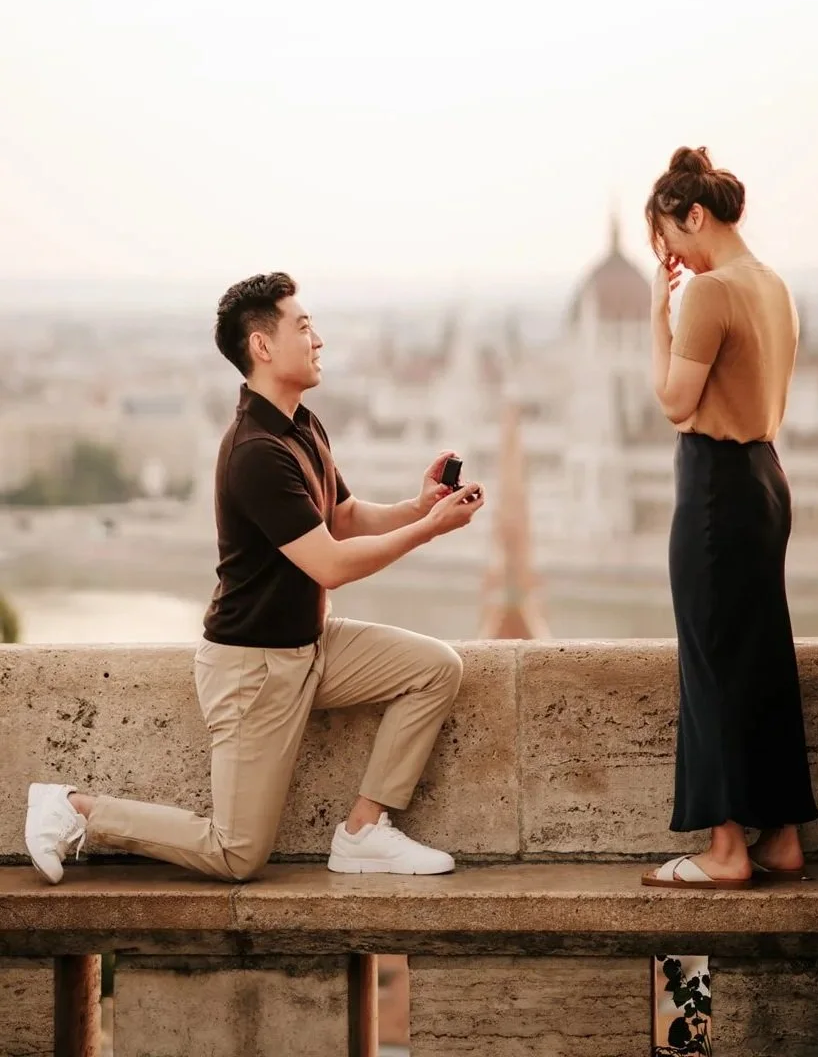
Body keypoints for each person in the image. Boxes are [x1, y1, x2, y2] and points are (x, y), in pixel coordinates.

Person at [26, 272, 484, 885]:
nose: (317, 339)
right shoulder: (255, 451)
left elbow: (343, 518)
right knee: (237, 853)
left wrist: (419, 506)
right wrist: (432, 532)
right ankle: (74, 809)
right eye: (303, 326)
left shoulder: (303, 425)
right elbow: (330, 565)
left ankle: (363, 831)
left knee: (436, 668)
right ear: (262, 347)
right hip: (252, 670)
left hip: (311, 645)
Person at [640, 148, 818, 890]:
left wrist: (660, 314)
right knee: (763, 655)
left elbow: (676, 402)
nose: (672, 258)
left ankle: (723, 849)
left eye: (669, 240)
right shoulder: (775, 286)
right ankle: (781, 835)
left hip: (714, 486)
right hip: (766, 480)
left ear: (695, 215)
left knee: (709, 659)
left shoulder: (709, 293)